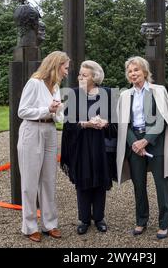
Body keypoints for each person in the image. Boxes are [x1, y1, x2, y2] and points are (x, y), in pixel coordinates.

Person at [116, 56, 168, 240]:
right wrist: (134, 143)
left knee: (162, 184)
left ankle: (163, 224)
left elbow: (162, 120)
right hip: (134, 143)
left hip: (156, 142)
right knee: (139, 185)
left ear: (145, 72)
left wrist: (146, 141)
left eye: (136, 70)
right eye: (130, 71)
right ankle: (141, 220)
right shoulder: (124, 95)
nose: (133, 73)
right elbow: (123, 123)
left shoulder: (158, 91)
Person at [17, 51, 69, 242]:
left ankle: (50, 224)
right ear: (56, 65)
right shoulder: (34, 83)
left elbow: (59, 116)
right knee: (30, 182)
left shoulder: (55, 86)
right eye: (66, 67)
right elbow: (22, 111)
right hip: (32, 130)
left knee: (49, 180)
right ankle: (30, 226)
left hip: (49, 130)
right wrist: (47, 109)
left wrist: (56, 111)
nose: (67, 71)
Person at [61, 60, 117, 235]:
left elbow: (117, 122)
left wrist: (105, 123)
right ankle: (84, 220)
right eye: (79, 74)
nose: (79, 77)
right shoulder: (73, 95)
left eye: (84, 75)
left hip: (102, 145)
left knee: (100, 181)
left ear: (95, 77)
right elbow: (68, 125)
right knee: (83, 180)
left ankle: (99, 218)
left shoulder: (109, 93)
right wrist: (84, 124)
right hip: (81, 145)